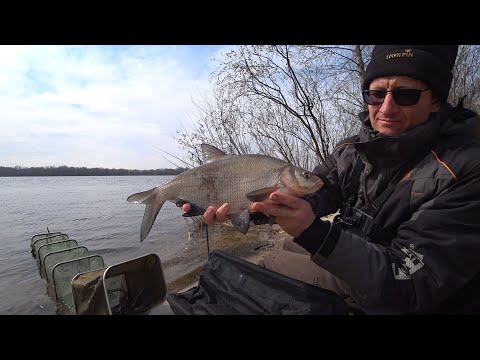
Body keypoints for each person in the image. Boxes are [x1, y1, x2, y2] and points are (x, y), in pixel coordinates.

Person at [182, 45, 480, 314]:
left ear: (436, 102)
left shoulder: (466, 169)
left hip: (397, 285)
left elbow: (410, 283)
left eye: (405, 95)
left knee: (270, 265)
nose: (386, 108)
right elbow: (317, 191)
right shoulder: (351, 149)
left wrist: (314, 233)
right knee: (287, 243)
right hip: (364, 249)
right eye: (376, 94)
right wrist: (254, 209)